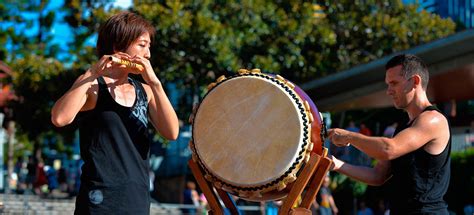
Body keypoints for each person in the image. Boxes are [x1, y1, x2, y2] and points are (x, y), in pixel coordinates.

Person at [51, 11, 179, 214]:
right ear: (119, 45)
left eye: (149, 46)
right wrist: (91, 73)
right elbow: (59, 118)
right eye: (142, 45)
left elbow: (172, 133)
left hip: (137, 197)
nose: (148, 54)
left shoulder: (146, 91)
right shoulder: (92, 86)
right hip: (99, 199)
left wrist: (155, 83)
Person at [328, 54, 451, 214]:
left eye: (394, 83)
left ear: (415, 81)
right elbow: (378, 175)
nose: (388, 91)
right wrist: (335, 164)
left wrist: (349, 136)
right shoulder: (404, 127)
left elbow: (388, 149)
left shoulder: (433, 120)